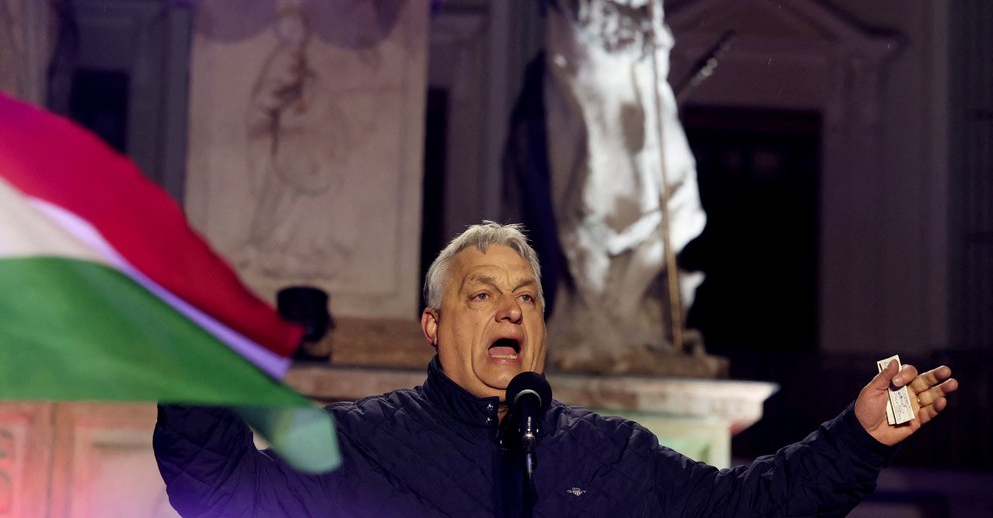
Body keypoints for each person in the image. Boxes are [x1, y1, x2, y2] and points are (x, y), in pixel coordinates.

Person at [153, 221, 959, 516]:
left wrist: (857, 436)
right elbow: (217, 491)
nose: (510, 311)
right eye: (482, 295)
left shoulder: (608, 455)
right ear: (432, 327)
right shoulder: (356, 445)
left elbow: (749, 509)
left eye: (528, 298)